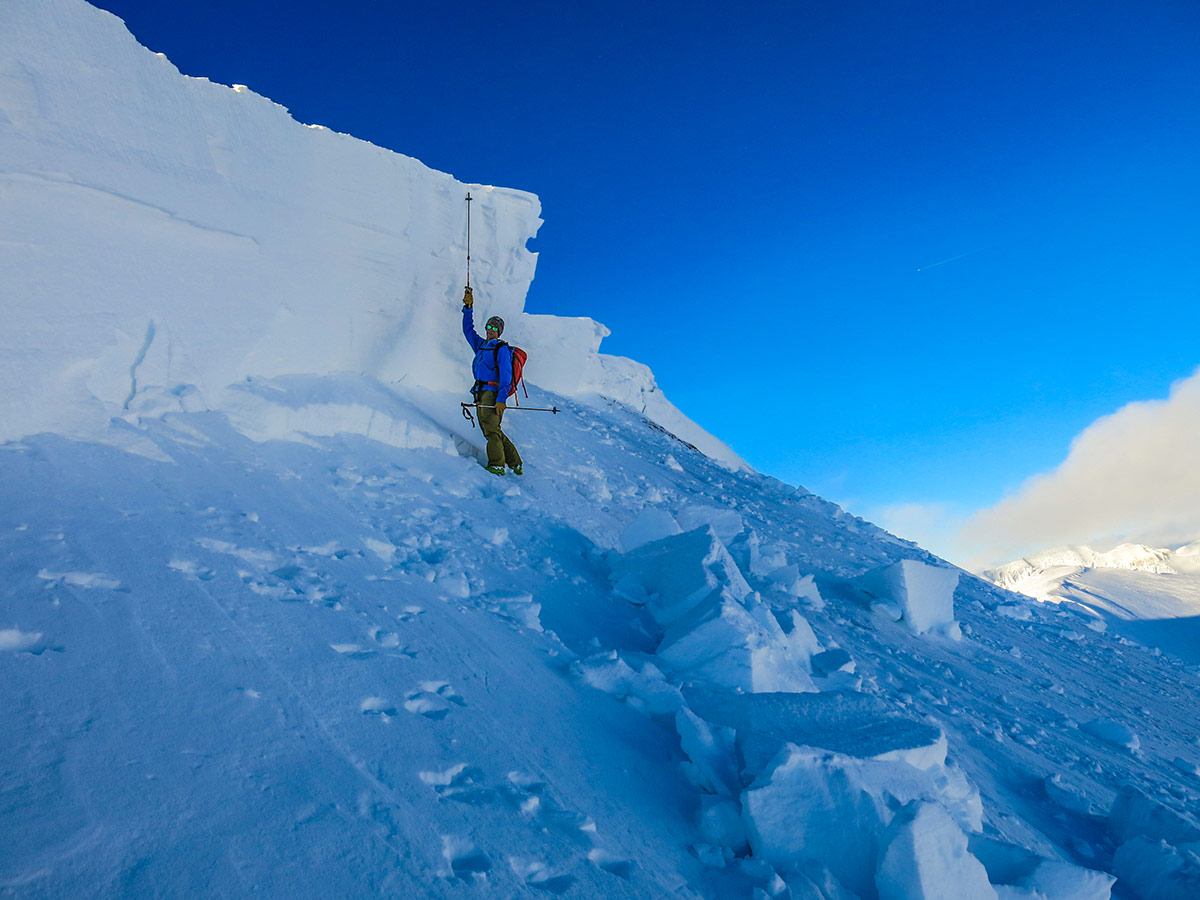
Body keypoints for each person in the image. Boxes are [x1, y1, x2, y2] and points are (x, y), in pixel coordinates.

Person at [461, 286, 523, 475]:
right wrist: (468, 307)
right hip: (479, 392)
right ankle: (515, 462)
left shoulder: (501, 349)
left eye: (495, 328)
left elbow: (506, 374)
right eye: (489, 327)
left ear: (500, 332)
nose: (491, 330)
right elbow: (467, 329)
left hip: (492, 392)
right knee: (492, 429)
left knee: (490, 430)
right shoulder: (481, 345)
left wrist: (501, 399)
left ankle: (497, 464)